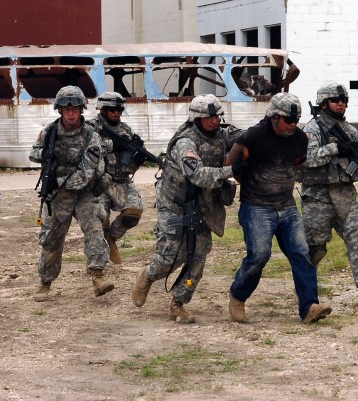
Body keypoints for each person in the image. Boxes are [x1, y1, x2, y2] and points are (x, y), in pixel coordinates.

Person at [132, 94, 242, 323]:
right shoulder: (186, 143)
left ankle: (178, 303)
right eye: (208, 117)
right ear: (196, 118)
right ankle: (148, 274)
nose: (214, 121)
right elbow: (199, 175)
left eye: (216, 116)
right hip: (174, 207)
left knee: (198, 256)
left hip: (202, 206)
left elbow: (246, 137)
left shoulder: (222, 134)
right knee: (170, 256)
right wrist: (233, 170)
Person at [226, 92, 332, 325]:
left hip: (287, 207)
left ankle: (309, 308)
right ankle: (238, 295)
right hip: (256, 208)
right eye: (288, 120)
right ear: (274, 117)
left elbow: (297, 164)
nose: (293, 125)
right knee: (259, 256)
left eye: (296, 120)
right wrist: (250, 181)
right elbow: (230, 166)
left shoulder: (300, 139)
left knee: (302, 254)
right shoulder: (253, 137)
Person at [298, 81, 358, 307]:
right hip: (317, 196)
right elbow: (306, 159)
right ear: (323, 103)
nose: (340, 104)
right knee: (315, 247)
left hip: (345, 195)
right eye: (335, 100)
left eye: (344, 101)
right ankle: (304, 291)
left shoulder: (350, 131)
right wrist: (335, 148)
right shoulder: (312, 130)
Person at [30, 85, 114, 302]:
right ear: (59, 110)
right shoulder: (49, 132)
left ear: (81, 110)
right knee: (51, 239)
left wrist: (60, 183)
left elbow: (88, 172)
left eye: (74, 108)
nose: (70, 112)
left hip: (83, 193)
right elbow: (33, 153)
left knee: (94, 229)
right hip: (58, 196)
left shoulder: (90, 137)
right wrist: (46, 155)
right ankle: (45, 282)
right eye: (66, 108)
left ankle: (97, 277)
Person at [87, 92, 145, 265]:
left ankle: (111, 239)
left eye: (119, 109)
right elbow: (88, 151)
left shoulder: (126, 130)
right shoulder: (91, 128)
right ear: (102, 109)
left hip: (122, 181)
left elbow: (129, 165)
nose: (116, 113)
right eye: (112, 109)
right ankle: (97, 262)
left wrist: (138, 157)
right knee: (99, 222)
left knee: (133, 214)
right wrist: (112, 146)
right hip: (98, 182)